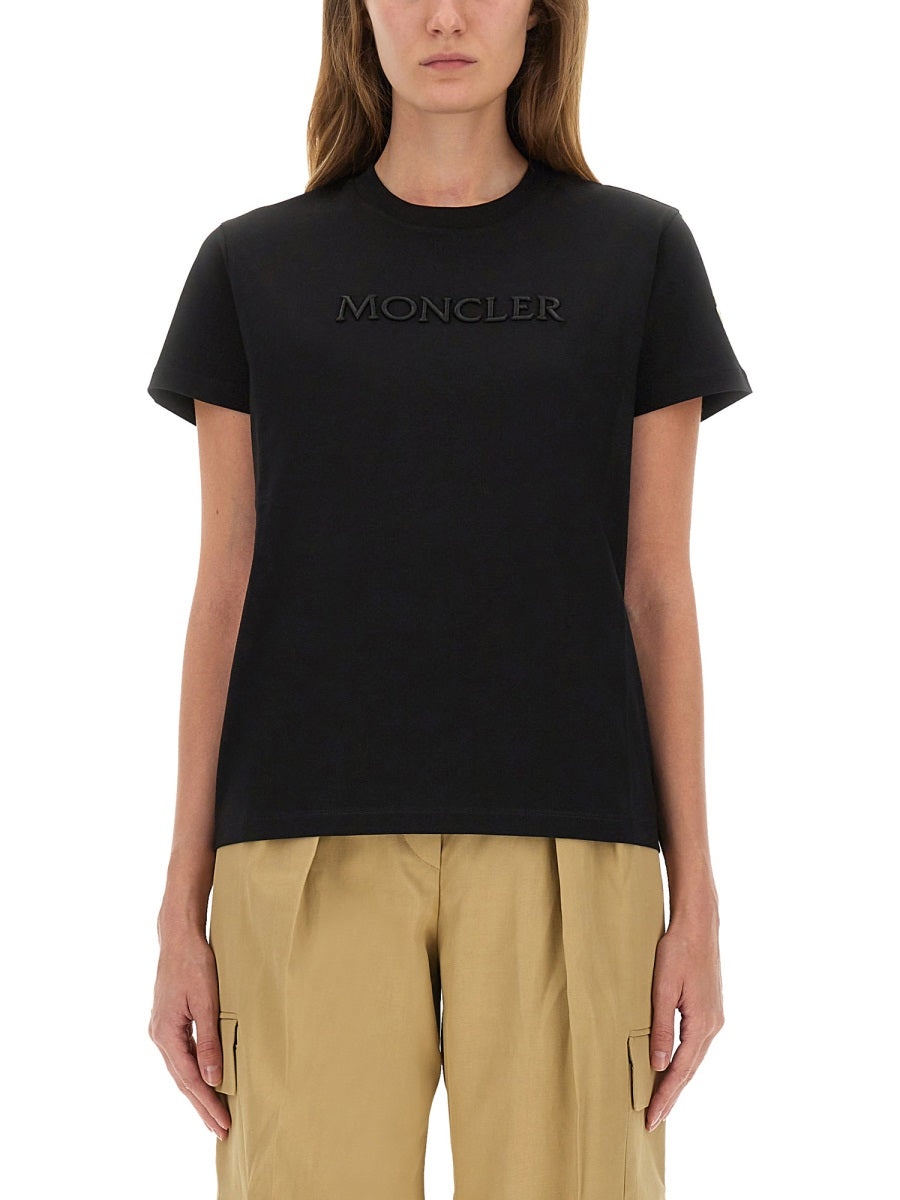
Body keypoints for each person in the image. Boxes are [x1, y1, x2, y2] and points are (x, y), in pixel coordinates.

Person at [146, 2, 751, 1197]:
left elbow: (657, 591)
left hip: (574, 844)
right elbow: (224, 590)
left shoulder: (638, 256)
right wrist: (180, 908)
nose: (444, 16)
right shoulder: (251, 268)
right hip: (299, 845)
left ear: (541, 12)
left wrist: (697, 902)